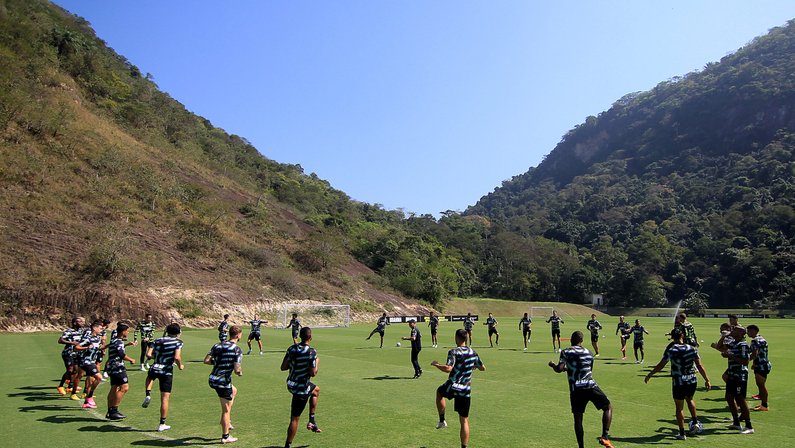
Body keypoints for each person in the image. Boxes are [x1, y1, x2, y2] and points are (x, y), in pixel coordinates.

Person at [548, 331, 614, 448]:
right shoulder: (589, 352)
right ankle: (605, 436)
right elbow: (587, 370)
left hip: (576, 389)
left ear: (571, 340)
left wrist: (553, 365)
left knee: (578, 418)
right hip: (590, 385)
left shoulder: (566, 351)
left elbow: (559, 369)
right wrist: (568, 369)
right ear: (581, 341)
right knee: (608, 407)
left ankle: (581, 446)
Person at [644, 328, 711, 440]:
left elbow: (661, 364)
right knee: (690, 399)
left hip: (679, 381)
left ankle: (682, 433)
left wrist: (650, 374)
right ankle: (695, 422)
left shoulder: (671, 350)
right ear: (682, 336)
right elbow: (699, 366)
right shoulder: (692, 348)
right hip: (692, 380)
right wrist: (707, 379)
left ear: (672, 337)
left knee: (679, 407)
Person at [431, 328, 486, 448]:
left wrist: (436, 365)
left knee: (439, 393)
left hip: (453, 386)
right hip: (466, 390)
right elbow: (483, 368)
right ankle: (464, 447)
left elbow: (448, 368)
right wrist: (473, 366)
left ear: (456, 338)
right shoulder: (473, 352)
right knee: (464, 420)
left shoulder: (454, 351)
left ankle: (442, 420)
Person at [281, 326, 321, 448]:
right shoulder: (311, 352)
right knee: (295, 419)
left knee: (316, 390)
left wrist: (295, 363)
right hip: (301, 388)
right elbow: (313, 373)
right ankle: (288, 445)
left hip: (291, 383)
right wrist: (317, 362)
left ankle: (312, 421)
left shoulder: (291, 348)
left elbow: (283, 367)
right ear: (310, 337)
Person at [142, 323, 185, 432]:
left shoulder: (157, 340)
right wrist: (180, 366)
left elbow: (148, 354)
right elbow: (177, 357)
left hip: (155, 366)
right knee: (165, 399)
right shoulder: (178, 342)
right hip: (166, 370)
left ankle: (148, 394)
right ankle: (162, 424)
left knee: (150, 378)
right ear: (178, 333)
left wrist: (156, 357)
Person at [205, 325, 244, 444]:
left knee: (234, 391)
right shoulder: (237, 349)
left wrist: (218, 362)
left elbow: (206, 360)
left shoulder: (217, 345)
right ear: (238, 335)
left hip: (212, 378)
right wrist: (239, 372)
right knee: (225, 410)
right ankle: (225, 436)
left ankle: (227, 420)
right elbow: (237, 369)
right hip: (222, 381)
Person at [720, 325, 754, 434]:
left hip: (740, 376)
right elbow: (720, 347)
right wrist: (724, 337)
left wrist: (731, 356)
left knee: (740, 399)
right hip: (732, 374)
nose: (732, 331)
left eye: (734, 330)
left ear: (740, 334)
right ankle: (736, 422)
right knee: (729, 397)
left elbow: (745, 361)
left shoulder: (743, 345)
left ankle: (749, 426)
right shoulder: (733, 343)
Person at [105, 322, 137, 420]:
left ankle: (110, 411)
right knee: (124, 387)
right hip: (117, 367)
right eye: (127, 331)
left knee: (114, 387)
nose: (128, 332)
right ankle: (114, 410)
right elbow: (121, 354)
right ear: (123, 331)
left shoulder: (115, 340)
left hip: (112, 367)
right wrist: (131, 359)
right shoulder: (118, 342)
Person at [74, 320, 105, 409]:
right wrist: (87, 347)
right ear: (94, 328)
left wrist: (108, 345)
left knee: (91, 380)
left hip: (92, 361)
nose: (101, 330)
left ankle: (87, 400)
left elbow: (99, 347)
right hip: (85, 361)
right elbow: (76, 347)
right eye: (100, 328)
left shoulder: (97, 338)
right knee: (99, 377)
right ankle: (89, 396)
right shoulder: (88, 338)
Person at [57, 316, 85, 397]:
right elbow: (60, 340)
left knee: (75, 370)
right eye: (80, 322)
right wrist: (72, 343)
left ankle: (70, 387)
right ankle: (60, 386)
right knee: (70, 370)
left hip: (77, 354)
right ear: (75, 323)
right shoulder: (69, 331)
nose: (82, 323)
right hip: (68, 353)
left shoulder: (81, 331)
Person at [747, 324, 771, 411]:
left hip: (761, 366)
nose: (747, 333)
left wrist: (746, 361)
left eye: (748, 331)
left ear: (754, 331)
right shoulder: (761, 338)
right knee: (761, 385)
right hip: (764, 364)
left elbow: (754, 354)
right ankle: (763, 404)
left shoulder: (755, 341)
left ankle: (764, 405)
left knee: (761, 385)